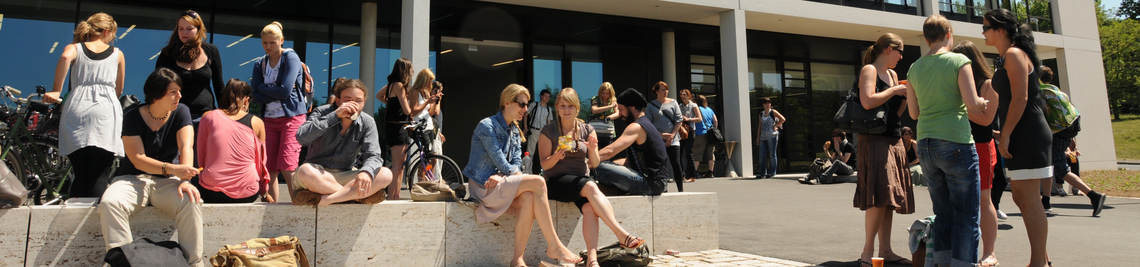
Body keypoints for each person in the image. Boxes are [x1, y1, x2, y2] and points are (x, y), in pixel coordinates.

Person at [461, 84, 582, 267]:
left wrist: (503, 176)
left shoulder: (515, 131)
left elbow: (516, 162)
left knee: (528, 198)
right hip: (483, 187)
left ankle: (517, 259)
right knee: (539, 181)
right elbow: (499, 160)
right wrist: (505, 174)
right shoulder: (487, 126)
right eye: (522, 105)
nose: (525, 109)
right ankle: (555, 246)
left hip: (501, 183)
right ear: (507, 103)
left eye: (526, 105)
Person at [98, 68, 203, 267]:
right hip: (131, 179)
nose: (179, 96)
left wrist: (185, 180)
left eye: (179, 91)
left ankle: (194, 264)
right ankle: (124, 262)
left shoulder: (181, 111)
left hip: (165, 182)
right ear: (156, 94)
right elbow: (138, 159)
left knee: (191, 200)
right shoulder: (132, 116)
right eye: (173, 92)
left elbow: (186, 147)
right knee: (109, 203)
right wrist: (173, 169)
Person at [906, 15, 988, 267]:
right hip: (955, 141)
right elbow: (973, 103)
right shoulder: (959, 60)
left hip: (927, 143)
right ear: (948, 34)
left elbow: (913, 113)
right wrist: (985, 101)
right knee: (966, 215)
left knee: (942, 213)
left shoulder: (914, 67)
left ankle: (940, 263)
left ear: (926, 37)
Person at [538, 88, 645, 267]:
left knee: (589, 209)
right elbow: (544, 165)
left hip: (581, 182)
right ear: (557, 108)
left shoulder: (587, 129)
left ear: (577, 108)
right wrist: (556, 156)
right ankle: (621, 234)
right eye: (563, 106)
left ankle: (592, 260)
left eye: (570, 106)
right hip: (556, 182)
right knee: (591, 187)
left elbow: (594, 163)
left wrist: (593, 149)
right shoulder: (548, 130)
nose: (566, 110)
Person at [983, 9, 1053, 267]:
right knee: (1020, 197)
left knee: (1029, 196)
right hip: (1020, 131)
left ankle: (1038, 263)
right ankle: (1042, 258)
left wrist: (1007, 135)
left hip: (1028, 132)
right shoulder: (1005, 56)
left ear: (1000, 29)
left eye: (986, 27)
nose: (983, 33)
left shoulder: (1013, 54)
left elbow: (1021, 98)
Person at [45, 12, 125, 198]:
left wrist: (57, 90)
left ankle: (73, 217)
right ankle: (93, 223)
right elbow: (118, 89)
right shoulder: (117, 54)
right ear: (106, 31)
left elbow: (65, 58)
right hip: (105, 111)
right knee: (100, 174)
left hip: (77, 107)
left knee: (80, 173)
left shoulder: (75, 48)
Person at [854, 32, 917, 267]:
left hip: (892, 139)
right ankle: (867, 252)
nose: (902, 56)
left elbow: (894, 114)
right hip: (873, 140)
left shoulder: (892, 74)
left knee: (888, 197)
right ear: (889, 49)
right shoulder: (869, 70)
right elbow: (867, 101)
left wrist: (905, 95)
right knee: (877, 196)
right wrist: (893, 91)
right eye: (900, 51)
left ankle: (886, 251)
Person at [291, 79, 392, 206]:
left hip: (346, 174)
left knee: (386, 174)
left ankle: (327, 199)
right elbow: (302, 138)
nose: (352, 104)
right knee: (305, 171)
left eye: (358, 100)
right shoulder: (322, 112)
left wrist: (366, 172)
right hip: (318, 174)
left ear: (364, 103)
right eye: (347, 99)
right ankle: (354, 197)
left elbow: (373, 155)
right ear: (338, 100)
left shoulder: (367, 122)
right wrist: (334, 116)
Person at [953, 40, 1002, 267]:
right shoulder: (961, 84)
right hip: (959, 144)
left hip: (981, 146)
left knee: (984, 199)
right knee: (959, 201)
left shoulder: (988, 84)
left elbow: (986, 120)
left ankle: (990, 252)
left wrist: (959, 108)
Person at [1038, 66, 1107, 216]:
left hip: (1055, 133)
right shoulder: (1056, 90)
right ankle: (1046, 201)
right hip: (1067, 132)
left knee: (1061, 170)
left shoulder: (1041, 92)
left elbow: (1042, 114)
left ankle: (1093, 195)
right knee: (1048, 165)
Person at [250, 21, 307, 202]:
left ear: (281, 40)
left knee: (288, 166)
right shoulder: (260, 63)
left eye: (272, 43)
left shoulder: (290, 58)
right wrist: (273, 89)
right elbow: (253, 95)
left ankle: (297, 208)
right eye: (265, 43)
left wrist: (263, 88)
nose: (268, 47)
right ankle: (272, 210)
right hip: (269, 120)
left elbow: (285, 91)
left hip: (292, 118)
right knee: (269, 167)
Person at [195, 79, 271, 203]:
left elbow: (201, 157)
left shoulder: (208, 117)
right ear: (246, 100)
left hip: (211, 190)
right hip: (247, 192)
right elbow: (261, 162)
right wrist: (264, 191)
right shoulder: (257, 122)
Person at [598, 88, 670, 195]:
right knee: (604, 166)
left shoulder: (636, 126)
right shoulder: (645, 123)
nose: (619, 114)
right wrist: (611, 166)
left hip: (651, 183)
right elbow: (628, 162)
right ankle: (612, 191)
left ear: (632, 107)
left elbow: (610, 151)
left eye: (621, 109)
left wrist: (585, 162)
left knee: (599, 167)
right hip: (657, 183)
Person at [156, 10, 224, 120]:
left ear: (198, 30)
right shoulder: (168, 53)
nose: (184, 32)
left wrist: (226, 114)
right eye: (181, 28)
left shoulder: (211, 50)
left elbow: (219, 85)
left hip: (206, 116)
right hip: (176, 117)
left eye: (189, 29)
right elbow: (158, 86)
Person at [375, 58, 415, 200]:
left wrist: (390, 103)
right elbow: (406, 110)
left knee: (399, 166)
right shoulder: (400, 86)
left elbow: (378, 95)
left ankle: (395, 196)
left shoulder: (392, 85)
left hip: (392, 126)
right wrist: (412, 107)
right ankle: (393, 198)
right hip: (399, 127)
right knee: (398, 166)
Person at [646, 82, 685, 192]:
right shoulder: (651, 105)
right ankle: (663, 188)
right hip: (658, 139)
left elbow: (679, 119)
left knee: (676, 163)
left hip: (673, 139)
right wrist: (660, 135)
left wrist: (672, 135)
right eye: (663, 89)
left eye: (666, 89)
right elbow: (648, 123)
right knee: (661, 165)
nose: (665, 92)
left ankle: (680, 189)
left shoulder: (673, 102)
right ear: (657, 91)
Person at [525, 89, 555, 174]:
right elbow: (526, 114)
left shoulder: (549, 109)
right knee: (530, 153)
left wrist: (550, 134)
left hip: (543, 132)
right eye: (545, 96)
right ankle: (528, 172)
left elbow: (549, 123)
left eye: (548, 97)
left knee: (544, 153)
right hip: (534, 130)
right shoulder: (534, 105)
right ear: (541, 96)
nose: (547, 98)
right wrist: (526, 128)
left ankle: (544, 172)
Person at [754, 97, 785, 178]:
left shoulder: (773, 112)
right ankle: (762, 172)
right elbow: (759, 126)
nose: (767, 104)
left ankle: (772, 172)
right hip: (763, 137)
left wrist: (776, 125)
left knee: (772, 154)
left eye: (768, 103)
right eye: (765, 103)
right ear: (763, 105)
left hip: (772, 136)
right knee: (762, 155)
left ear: (770, 104)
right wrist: (758, 137)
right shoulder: (761, 114)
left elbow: (783, 119)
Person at [589, 82, 621, 160]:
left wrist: (608, 117)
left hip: (608, 131)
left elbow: (617, 113)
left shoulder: (613, 100)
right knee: (596, 152)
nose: (605, 95)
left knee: (607, 153)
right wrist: (609, 106)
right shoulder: (595, 99)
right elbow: (594, 110)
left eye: (607, 93)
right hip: (596, 131)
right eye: (603, 93)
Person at [692, 95, 718, 178]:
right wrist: (714, 129)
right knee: (710, 153)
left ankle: (695, 171)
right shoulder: (709, 109)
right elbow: (716, 120)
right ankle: (710, 172)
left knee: (698, 152)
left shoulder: (697, 109)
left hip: (700, 133)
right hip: (710, 133)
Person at [678, 88, 701, 182]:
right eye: (681, 95)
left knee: (688, 153)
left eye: (685, 95)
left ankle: (691, 175)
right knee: (679, 153)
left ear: (689, 96)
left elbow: (699, 118)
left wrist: (689, 119)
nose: (683, 97)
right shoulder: (680, 106)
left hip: (690, 131)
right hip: (681, 131)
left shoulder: (693, 105)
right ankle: (681, 175)